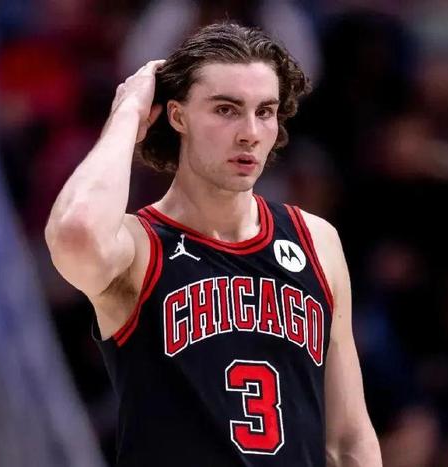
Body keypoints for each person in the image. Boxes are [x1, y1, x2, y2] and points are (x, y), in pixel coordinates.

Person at [46, 22, 382, 466]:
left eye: (265, 111)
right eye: (226, 109)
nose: (250, 132)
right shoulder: (139, 247)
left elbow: (349, 439)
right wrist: (127, 114)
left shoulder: (316, 240)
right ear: (177, 116)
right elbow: (75, 232)